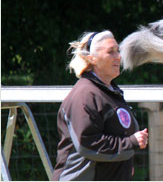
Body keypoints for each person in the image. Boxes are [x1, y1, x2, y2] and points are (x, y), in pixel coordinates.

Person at [53, 31, 149, 180]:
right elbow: (87, 144)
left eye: (118, 51)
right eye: (110, 52)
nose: (118, 56)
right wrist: (130, 143)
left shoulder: (109, 92)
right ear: (92, 59)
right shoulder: (85, 95)